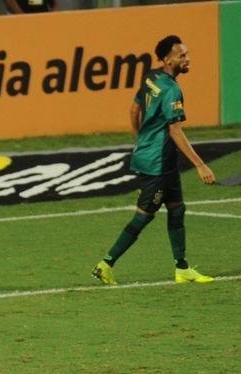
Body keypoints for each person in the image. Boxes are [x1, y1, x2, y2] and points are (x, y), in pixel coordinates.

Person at [92, 34, 217, 287]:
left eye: (187, 53)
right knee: (144, 215)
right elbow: (175, 130)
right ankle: (105, 263)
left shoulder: (151, 77)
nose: (187, 59)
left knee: (177, 208)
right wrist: (200, 164)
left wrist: (140, 139)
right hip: (157, 163)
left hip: (160, 159)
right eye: (182, 55)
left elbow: (134, 109)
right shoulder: (172, 89)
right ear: (168, 60)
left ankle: (182, 268)